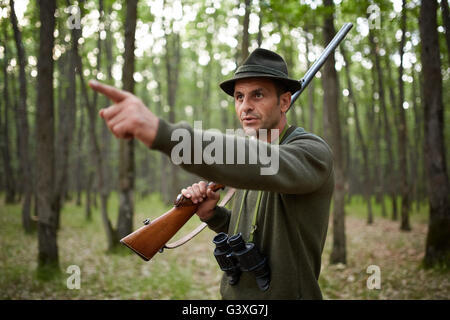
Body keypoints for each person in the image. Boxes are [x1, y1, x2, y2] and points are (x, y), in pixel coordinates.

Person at [89, 48, 334, 300]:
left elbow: (261, 161)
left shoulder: (311, 152)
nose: (245, 107)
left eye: (257, 95)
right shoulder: (248, 162)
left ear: (284, 102)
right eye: (239, 97)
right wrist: (213, 215)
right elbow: (253, 233)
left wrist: (160, 133)